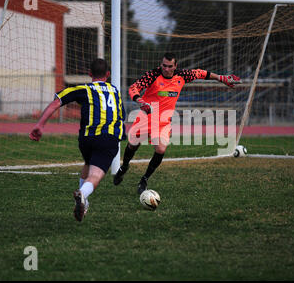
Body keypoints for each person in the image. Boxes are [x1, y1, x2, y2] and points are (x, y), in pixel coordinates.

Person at [113, 52, 240, 194]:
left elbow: (200, 73)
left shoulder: (182, 75)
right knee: (132, 145)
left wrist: (220, 78)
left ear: (175, 66)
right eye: (164, 65)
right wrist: (140, 100)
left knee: (160, 150)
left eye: (169, 66)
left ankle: (144, 179)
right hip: (146, 116)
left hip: (163, 120)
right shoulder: (153, 75)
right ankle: (124, 167)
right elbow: (134, 88)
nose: (166, 69)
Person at [29, 58, 126, 222]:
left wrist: (40, 124)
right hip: (107, 138)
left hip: (86, 139)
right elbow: (121, 116)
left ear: (89, 74)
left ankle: (84, 203)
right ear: (108, 74)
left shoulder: (83, 89)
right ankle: (83, 194)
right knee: (95, 176)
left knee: (88, 163)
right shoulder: (115, 91)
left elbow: (56, 103)